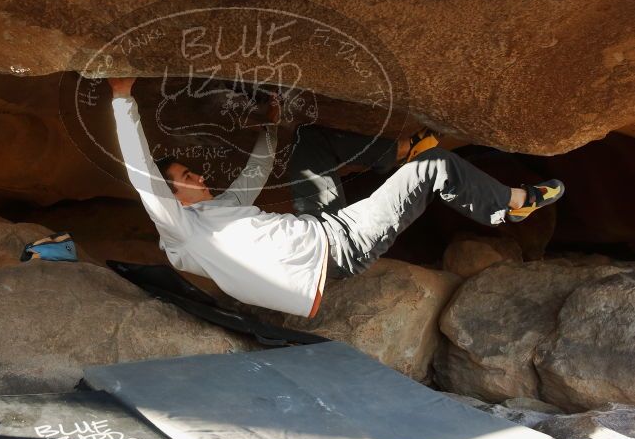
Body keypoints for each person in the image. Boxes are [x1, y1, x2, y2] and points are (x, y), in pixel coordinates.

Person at [107, 77, 564, 318]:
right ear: (172, 197)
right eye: (187, 176)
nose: (199, 175)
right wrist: (123, 99)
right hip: (337, 249)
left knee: (307, 143)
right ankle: (510, 203)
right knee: (437, 167)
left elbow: (257, 169)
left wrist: (270, 120)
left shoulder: (216, 209)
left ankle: (402, 150)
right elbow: (145, 177)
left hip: (321, 223)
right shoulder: (182, 231)